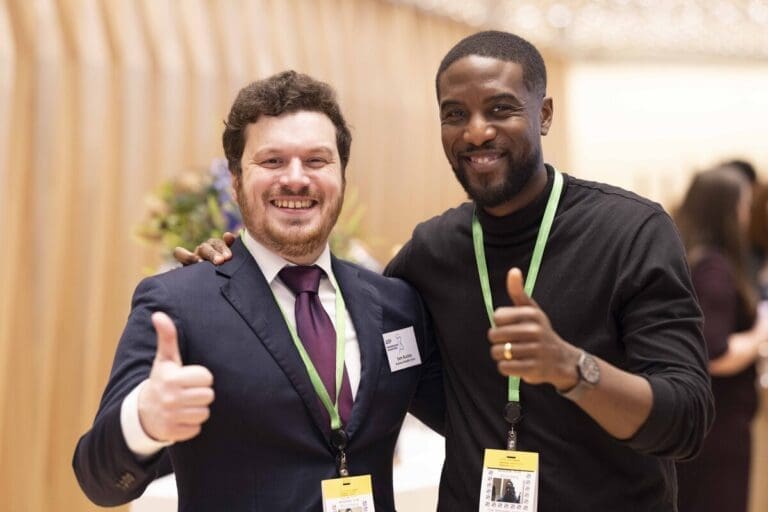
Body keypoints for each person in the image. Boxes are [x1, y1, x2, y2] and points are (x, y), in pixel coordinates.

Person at [185, 31, 714, 511]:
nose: (476, 132)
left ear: (544, 113)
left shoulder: (632, 232)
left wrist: (571, 369)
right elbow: (347, 319)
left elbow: (686, 421)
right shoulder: (432, 251)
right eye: (455, 114)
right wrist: (242, 267)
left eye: (501, 109)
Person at [72, 71, 443, 511]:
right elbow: (99, 480)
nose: (295, 179)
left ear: (342, 173)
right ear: (234, 179)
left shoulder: (396, 304)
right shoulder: (180, 305)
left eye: (317, 160)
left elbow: (466, 416)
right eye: (271, 161)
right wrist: (144, 420)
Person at [674, 167, 768, 512]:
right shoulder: (714, 268)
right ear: (727, 210)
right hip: (719, 424)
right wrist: (762, 330)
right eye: (744, 206)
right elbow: (716, 352)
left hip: (701, 424)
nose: (748, 215)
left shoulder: (690, 257)